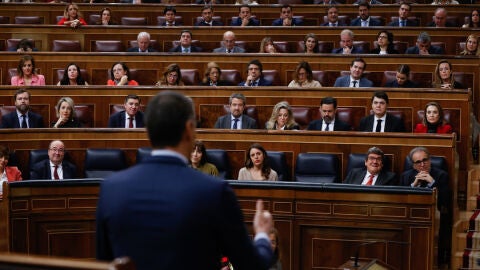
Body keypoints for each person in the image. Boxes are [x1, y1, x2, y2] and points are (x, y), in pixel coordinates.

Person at [96, 91, 274, 269]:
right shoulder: (214, 191)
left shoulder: (111, 189)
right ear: (189, 129)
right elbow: (253, 265)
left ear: (148, 131)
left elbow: (105, 263)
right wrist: (262, 235)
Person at [399, 146, 451, 265]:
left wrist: (432, 183)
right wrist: (413, 185)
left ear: (430, 160)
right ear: (413, 165)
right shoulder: (406, 176)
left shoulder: (441, 175)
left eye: (425, 160)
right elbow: (400, 199)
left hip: (433, 217)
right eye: (418, 162)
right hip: (410, 217)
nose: (422, 164)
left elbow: (445, 202)